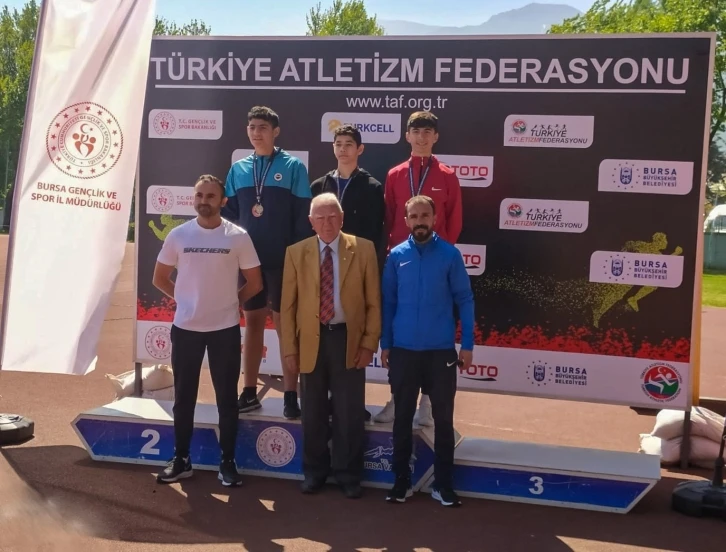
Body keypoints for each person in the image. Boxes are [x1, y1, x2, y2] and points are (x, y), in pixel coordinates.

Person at [153, 174, 263, 487]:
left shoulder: (238, 237)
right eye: (199, 195)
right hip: (186, 329)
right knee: (183, 398)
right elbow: (159, 278)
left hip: (224, 330)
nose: (204, 201)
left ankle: (227, 462)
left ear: (223, 201)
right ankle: (181, 459)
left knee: (226, 400)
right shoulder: (179, 235)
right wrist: (186, 300)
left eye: (211, 196)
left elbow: (255, 283)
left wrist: (232, 303)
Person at [280, 193, 381, 499]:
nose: (327, 223)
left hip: (347, 339)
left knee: (349, 411)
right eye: (320, 218)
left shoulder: (363, 249)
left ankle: (348, 474)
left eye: (332, 216)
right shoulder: (296, 253)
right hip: (311, 340)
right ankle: (314, 472)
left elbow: (373, 302)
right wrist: (289, 349)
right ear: (311, 222)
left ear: (342, 218)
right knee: (312, 411)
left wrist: (369, 343)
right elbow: (288, 307)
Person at [381, 195, 474, 507]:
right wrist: (386, 343)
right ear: (406, 221)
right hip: (404, 351)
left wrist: (468, 344)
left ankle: (443, 485)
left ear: (434, 219)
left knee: (443, 420)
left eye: (424, 216)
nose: (419, 221)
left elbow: (465, 300)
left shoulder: (450, 255)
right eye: (414, 216)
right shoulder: (396, 256)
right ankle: (401, 482)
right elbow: (388, 302)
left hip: (440, 352)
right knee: (402, 419)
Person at [222, 106, 313, 419]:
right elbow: (229, 215)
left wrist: (296, 259)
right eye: (251, 127)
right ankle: (249, 392)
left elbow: (302, 218)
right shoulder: (238, 169)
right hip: (249, 263)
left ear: (275, 131)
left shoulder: (293, 166)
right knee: (253, 325)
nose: (256, 132)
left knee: (286, 327)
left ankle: (290, 394)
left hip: (283, 261)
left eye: (262, 127)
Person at [375, 110, 463, 426]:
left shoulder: (448, 175)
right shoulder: (395, 174)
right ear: (407, 136)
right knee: (399, 328)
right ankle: (397, 399)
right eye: (416, 132)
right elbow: (388, 218)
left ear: (435, 137)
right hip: (401, 264)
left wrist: (441, 259)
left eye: (427, 132)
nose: (422, 137)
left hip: (436, 264)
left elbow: (454, 220)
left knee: (433, 328)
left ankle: (426, 404)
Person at [311, 124, 386, 421]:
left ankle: (353, 402)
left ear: (360, 149)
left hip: (355, 267)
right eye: (338, 144)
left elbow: (375, 233)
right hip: (324, 267)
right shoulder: (319, 185)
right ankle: (326, 401)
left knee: (352, 334)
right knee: (326, 336)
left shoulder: (372, 187)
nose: (343, 149)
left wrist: (367, 268)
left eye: (348, 144)